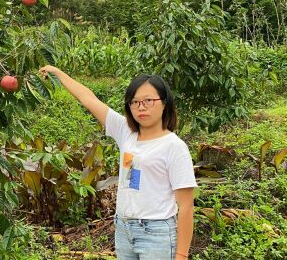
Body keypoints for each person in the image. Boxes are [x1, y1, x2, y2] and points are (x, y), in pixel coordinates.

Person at [38, 65, 197, 260]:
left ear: (164, 103)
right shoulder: (125, 131)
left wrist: (182, 254)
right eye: (135, 102)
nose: (141, 106)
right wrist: (59, 74)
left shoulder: (174, 146)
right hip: (123, 229)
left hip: (157, 234)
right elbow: (88, 99)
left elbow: (186, 205)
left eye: (148, 100)